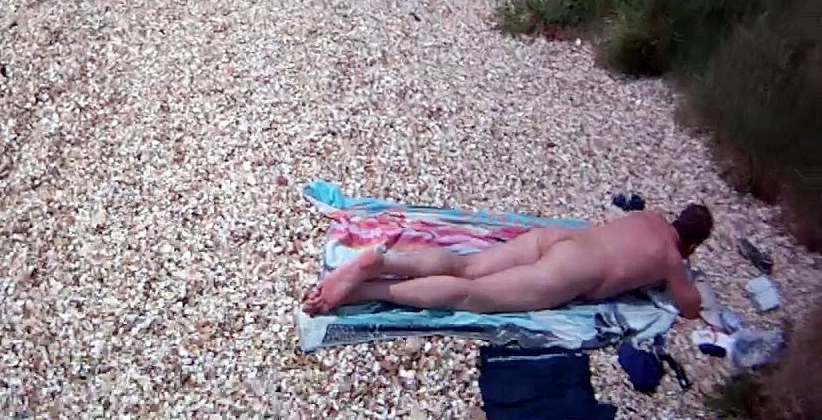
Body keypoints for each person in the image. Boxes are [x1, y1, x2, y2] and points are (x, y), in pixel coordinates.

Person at [302, 204, 713, 318]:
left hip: (559, 239)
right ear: (692, 243)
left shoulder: (651, 217)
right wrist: (681, 271)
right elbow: (690, 308)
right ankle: (366, 290)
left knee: (468, 265)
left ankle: (383, 259)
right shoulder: (670, 256)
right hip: (576, 271)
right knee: (470, 294)